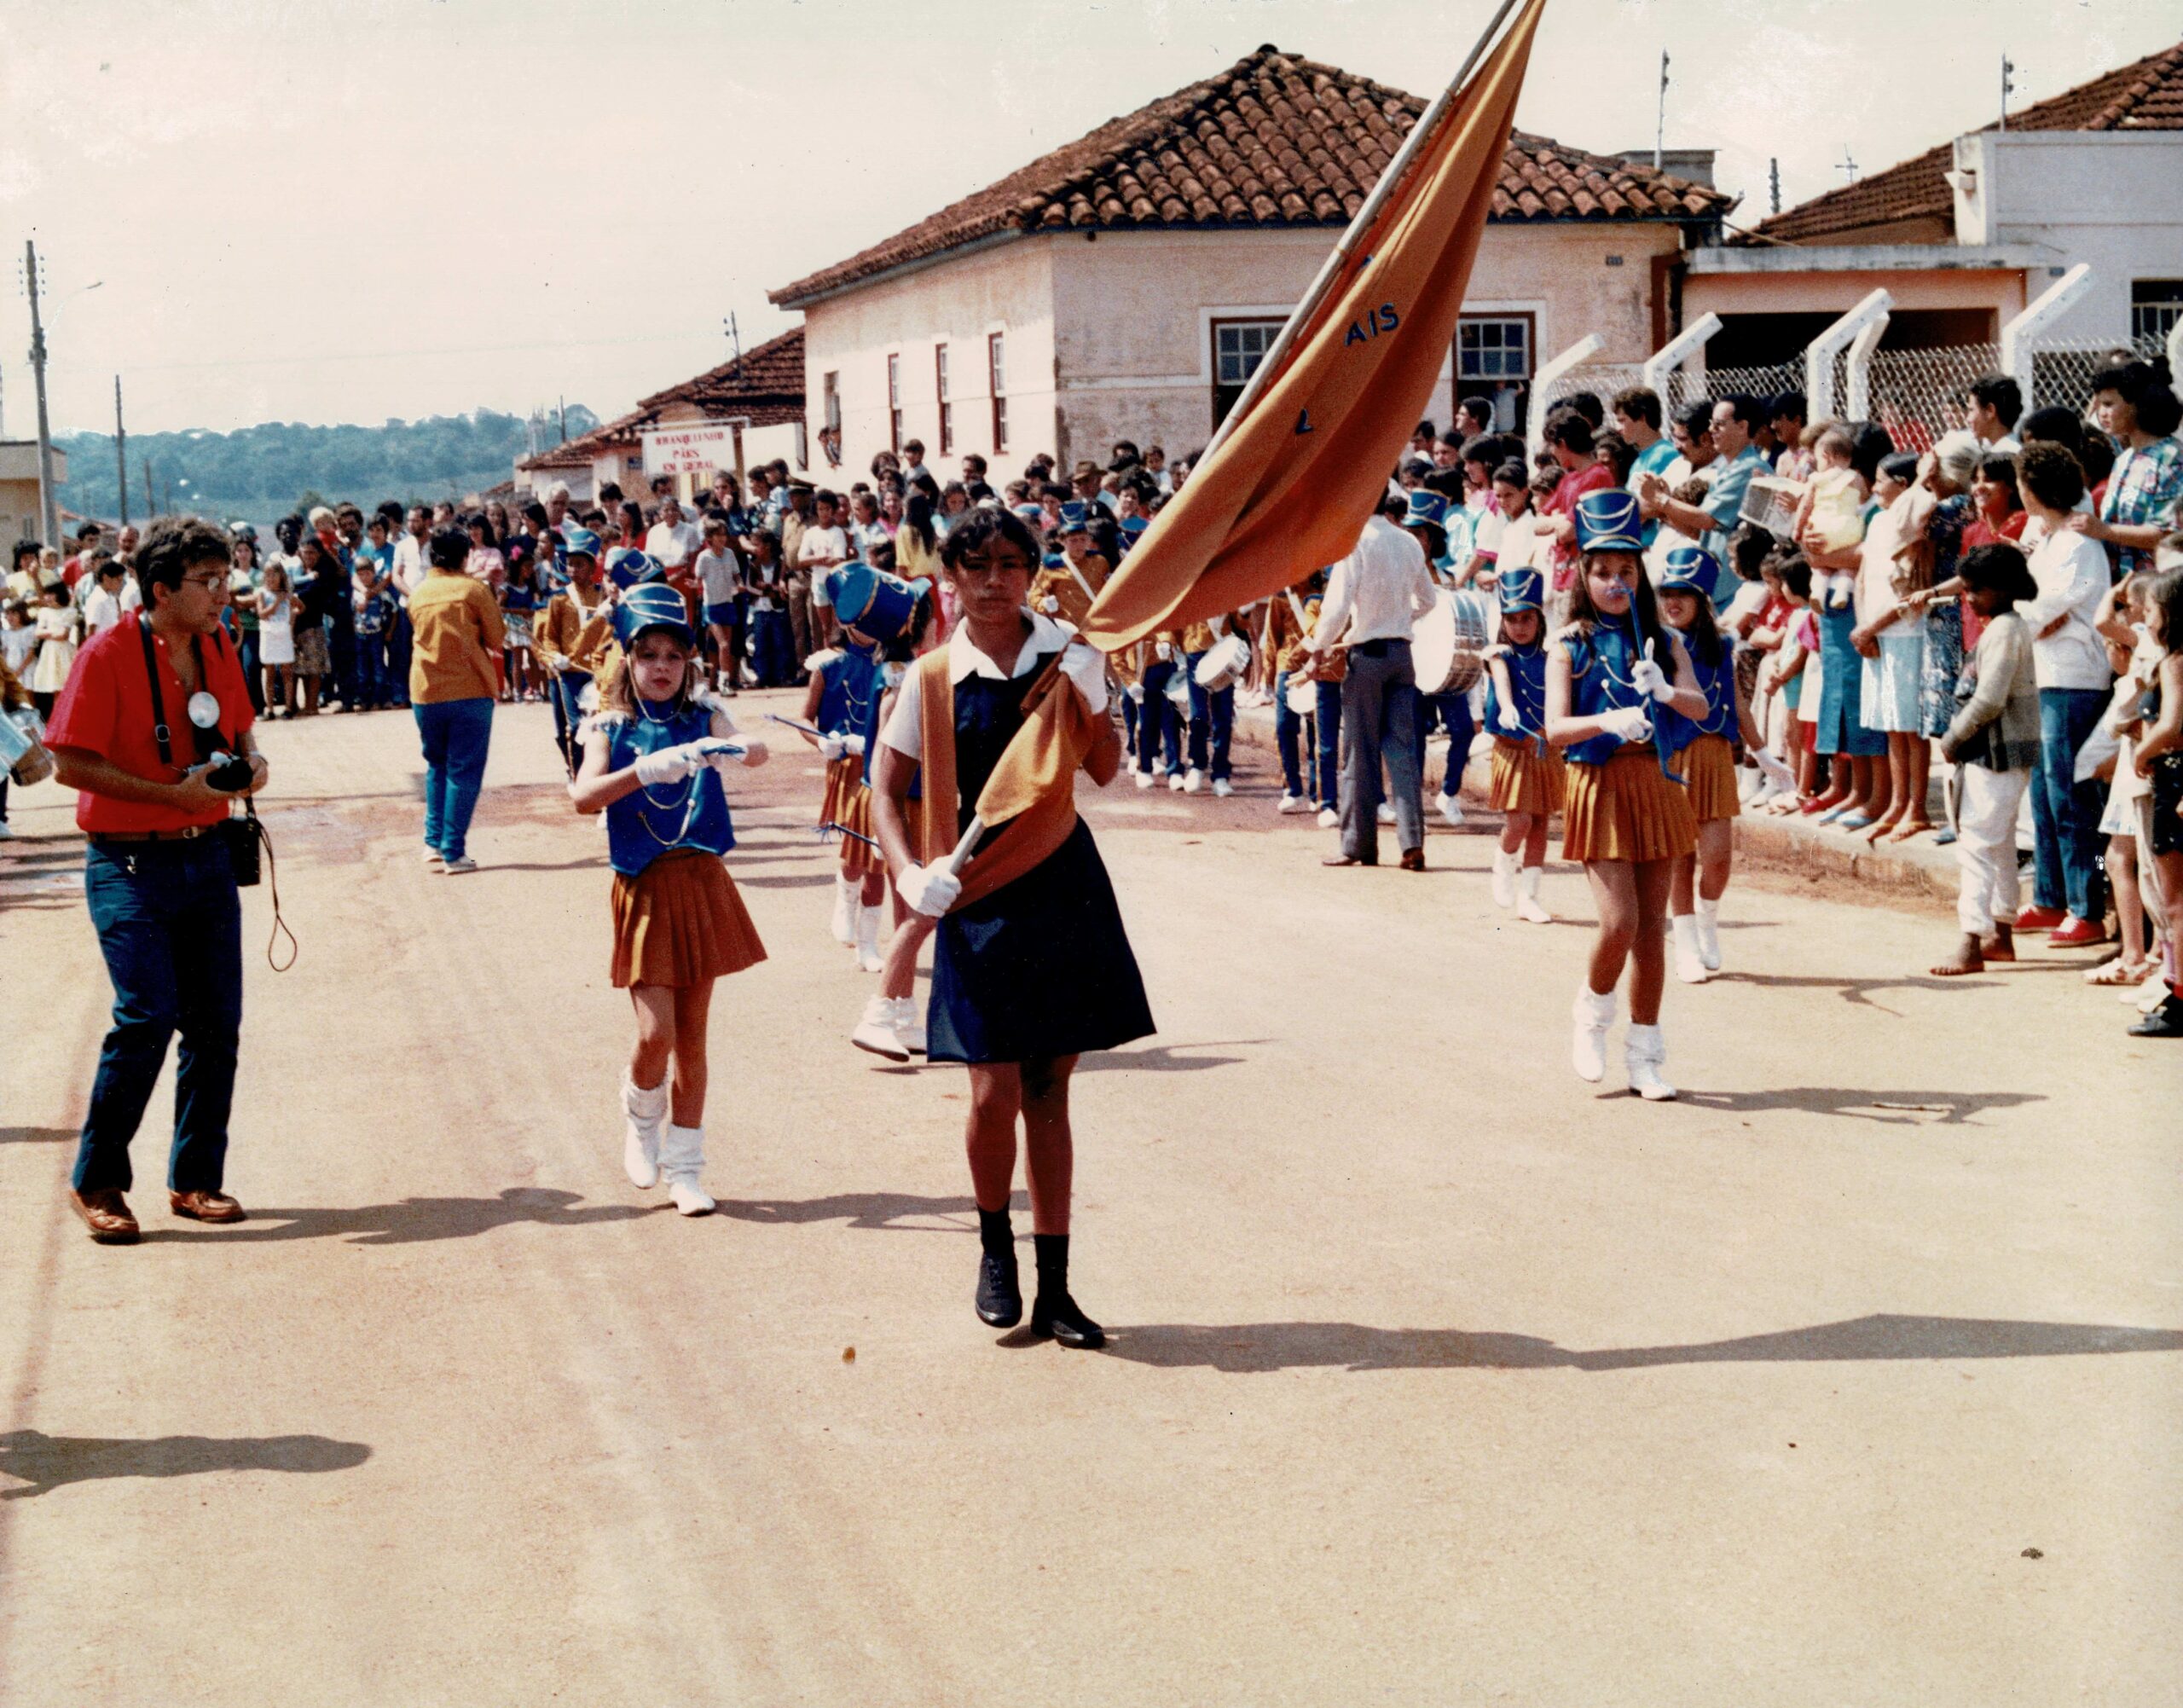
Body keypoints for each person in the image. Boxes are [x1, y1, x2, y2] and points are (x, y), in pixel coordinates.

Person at [869, 507, 1150, 1346]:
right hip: (973, 895)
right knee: (991, 1091)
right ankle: (996, 1248)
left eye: (1008, 563)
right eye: (975, 564)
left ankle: (1056, 1287)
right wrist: (906, 871)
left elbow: (1104, 769)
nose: (993, 580)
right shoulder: (929, 678)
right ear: (949, 577)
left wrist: (1094, 693)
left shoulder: (1068, 657)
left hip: (1059, 884)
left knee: (1048, 1090)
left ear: (1031, 572)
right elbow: (885, 786)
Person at [44, 517, 267, 1243]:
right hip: (128, 863)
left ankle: (196, 1178)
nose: (223, 593)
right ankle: (97, 1181)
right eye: (208, 581)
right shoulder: (106, 654)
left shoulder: (219, 643)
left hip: (207, 854)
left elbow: (240, 729)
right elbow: (69, 763)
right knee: (146, 1016)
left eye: (226, 577)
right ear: (162, 590)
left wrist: (253, 764)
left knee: (215, 1022)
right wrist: (171, 794)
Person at [567, 582, 769, 1211]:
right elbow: (583, 796)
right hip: (647, 887)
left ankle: (686, 1170)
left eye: (674, 656)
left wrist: (726, 747)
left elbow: (756, 750)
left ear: (689, 663)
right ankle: (639, 1116)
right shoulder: (611, 725)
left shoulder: (702, 715)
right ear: (627, 660)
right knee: (657, 1033)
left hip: (701, 881)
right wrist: (645, 770)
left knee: (694, 1038)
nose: (662, 667)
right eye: (649, 655)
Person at [1546, 489, 1708, 1100]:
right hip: (1599, 783)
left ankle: (1645, 1055)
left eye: (1626, 570)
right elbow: (1554, 729)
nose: (1616, 582)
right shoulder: (1569, 642)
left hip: (1656, 782)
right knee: (1619, 922)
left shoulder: (1664, 639)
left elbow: (1700, 707)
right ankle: (1592, 1014)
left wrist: (1665, 691)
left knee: (1650, 935)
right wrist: (1605, 722)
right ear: (1584, 577)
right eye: (1603, 571)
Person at [1928, 545, 2046, 977]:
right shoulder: (2006, 627)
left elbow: (1990, 700)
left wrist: (1953, 739)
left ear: (2004, 588)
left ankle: (1971, 941)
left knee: (1977, 846)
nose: (1970, 598)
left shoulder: (2005, 630)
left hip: (1994, 751)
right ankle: (2001, 934)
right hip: (2000, 752)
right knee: (1998, 845)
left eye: (1977, 590)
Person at [2016, 442, 2116, 948]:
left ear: (2034, 490)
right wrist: (2033, 616)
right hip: (2045, 674)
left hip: (2075, 681)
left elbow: (2040, 608)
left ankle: (2088, 908)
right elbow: (2029, 610)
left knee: (2072, 797)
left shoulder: (2078, 544)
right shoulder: (2050, 541)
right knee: (2044, 796)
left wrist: (2034, 616)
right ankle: (2051, 898)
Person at [1307, 495, 1438, 870]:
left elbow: (1336, 606)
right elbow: (1428, 600)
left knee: (1359, 753)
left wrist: (1318, 649)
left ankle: (1357, 844)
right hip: (1401, 654)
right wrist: (1401, 620)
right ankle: (1412, 843)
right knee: (1402, 753)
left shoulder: (1356, 542)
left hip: (1367, 655)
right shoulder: (1409, 541)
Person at [1656, 547, 1768, 981]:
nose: (1673, 602)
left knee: (1718, 858)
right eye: (1667, 593)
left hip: (1715, 756)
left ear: (1702, 599)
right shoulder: (1655, 643)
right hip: (1674, 757)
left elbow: (1737, 701)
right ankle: (1686, 946)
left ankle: (1708, 923)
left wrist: (1762, 752)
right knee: (1680, 858)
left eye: (1683, 594)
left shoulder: (1720, 644)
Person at [408, 525, 504, 873]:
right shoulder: (473, 590)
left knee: (437, 765)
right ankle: (453, 851)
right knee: (464, 770)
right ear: (464, 557)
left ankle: (433, 843)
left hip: (426, 691)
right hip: (469, 690)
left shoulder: (418, 593)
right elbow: (496, 639)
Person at [1481, 565, 1563, 923]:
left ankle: (1529, 897)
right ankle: (1503, 862)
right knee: (1520, 821)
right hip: (1513, 750)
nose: (1520, 626)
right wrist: (1507, 706)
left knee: (1541, 824)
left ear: (1539, 618)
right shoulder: (1499, 655)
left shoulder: (1551, 657)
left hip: (1543, 748)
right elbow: (1502, 682)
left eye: (1527, 618)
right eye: (1512, 619)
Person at [2123, 565, 2183, 1035]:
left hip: (2175, 784)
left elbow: (2171, 725)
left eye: (2153, 607)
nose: (2146, 614)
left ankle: (2180, 998)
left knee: (2176, 903)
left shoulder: (2175, 662)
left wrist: (2143, 752)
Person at [2082, 360, 2183, 582]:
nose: (2101, 413)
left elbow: (2169, 535)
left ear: (2137, 404)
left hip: (2160, 585)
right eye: (2099, 404)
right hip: (2122, 585)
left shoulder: (2172, 458)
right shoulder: (2124, 459)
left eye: (2108, 404)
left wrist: (2104, 530)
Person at [534, 528, 616, 777]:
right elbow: (547, 637)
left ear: (592, 568)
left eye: (579, 564)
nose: (573, 570)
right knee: (567, 729)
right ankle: (575, 770)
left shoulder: (602, 595)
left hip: (596, 671)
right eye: (570, 564)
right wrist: (554, 657)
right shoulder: (559, 599)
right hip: (568, 671)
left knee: (596, 724)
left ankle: (591, 775)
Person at [30, 578, 79, 721]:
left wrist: (49, 633)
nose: (47, 597)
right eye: (46, 594)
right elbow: (38, 632)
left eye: (51, 594)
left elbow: (63, 635)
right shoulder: (44, 612)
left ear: (59, 594)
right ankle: (58, 721)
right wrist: (54, 633)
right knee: (55, 689)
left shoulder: (70, 611)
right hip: (49, 652)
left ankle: (68, 720)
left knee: (66, 688)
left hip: (64, 652)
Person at [256, 563, 297, 716]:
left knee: (287, 673)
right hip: (269, 635)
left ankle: (288, 708)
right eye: (268, 575)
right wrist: (276, 602)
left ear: (281, 576)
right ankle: (270, 709)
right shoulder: (262, 593)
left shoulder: (287, 594)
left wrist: (293, 618)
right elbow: (262, 614)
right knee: (270, 674)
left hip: (284, 636)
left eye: (274, 574)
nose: (271, 578)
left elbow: (299, 607)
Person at [1960, 373, 2024, 456]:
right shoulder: (2016, 449)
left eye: (1972, 410)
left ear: (1990, 411)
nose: (1968, 419)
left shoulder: (2007, 455)